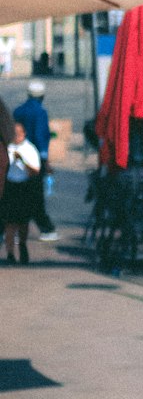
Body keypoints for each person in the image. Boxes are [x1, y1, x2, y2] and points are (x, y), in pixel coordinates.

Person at [13, 80, 58, 240]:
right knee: (35, 196)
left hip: (18, 158)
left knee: (18, 194)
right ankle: (46, 229)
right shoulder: (40, 112)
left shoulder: (18, 111)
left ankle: (16, 230)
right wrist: (45, 160)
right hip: (35, 160)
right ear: (42, 96)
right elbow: (40, 137)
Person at [2, 121, 41, 264]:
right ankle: (10, 252)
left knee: (23, 222)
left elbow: (35, 171)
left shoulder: (30, 149)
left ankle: (23, 247)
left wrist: (22, 161)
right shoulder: (8, 148)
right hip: (10, 187)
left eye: (19, 133)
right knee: (9, 223)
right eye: (14, 133)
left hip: (24, 187)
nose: (16, 136)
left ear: (24, 134)